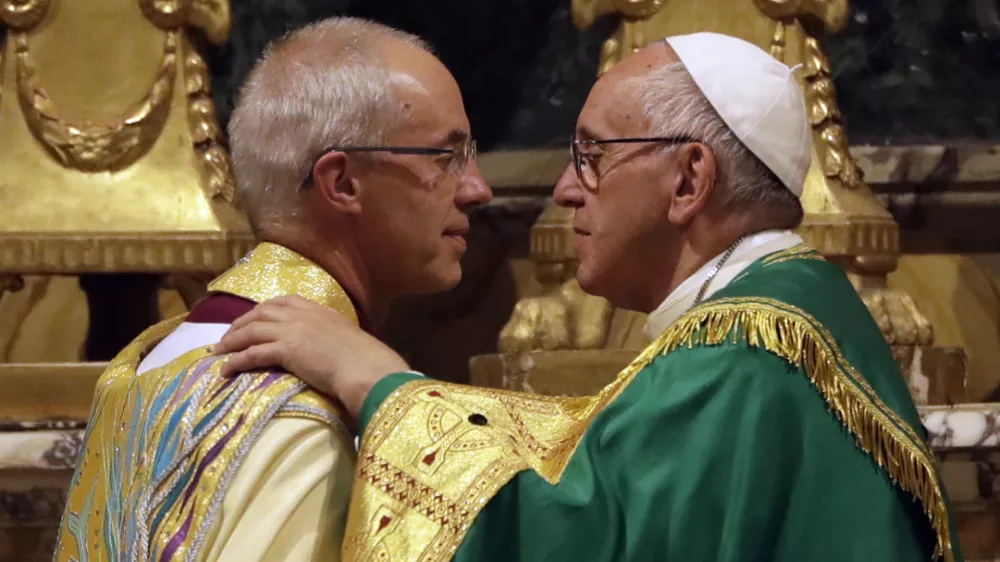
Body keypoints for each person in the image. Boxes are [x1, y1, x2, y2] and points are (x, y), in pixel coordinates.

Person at [216, 32, 963, 562]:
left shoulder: (745, 351)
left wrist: (374, 381)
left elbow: (572, 536)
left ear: (688, 180)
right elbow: (595, 469)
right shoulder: (778, 327)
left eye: (592, 155)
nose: (567, 190)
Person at [53, 17, 491, 562]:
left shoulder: (152, 359)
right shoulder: (299, 411)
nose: (477, 188)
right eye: (445, 157)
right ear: (343, 183)